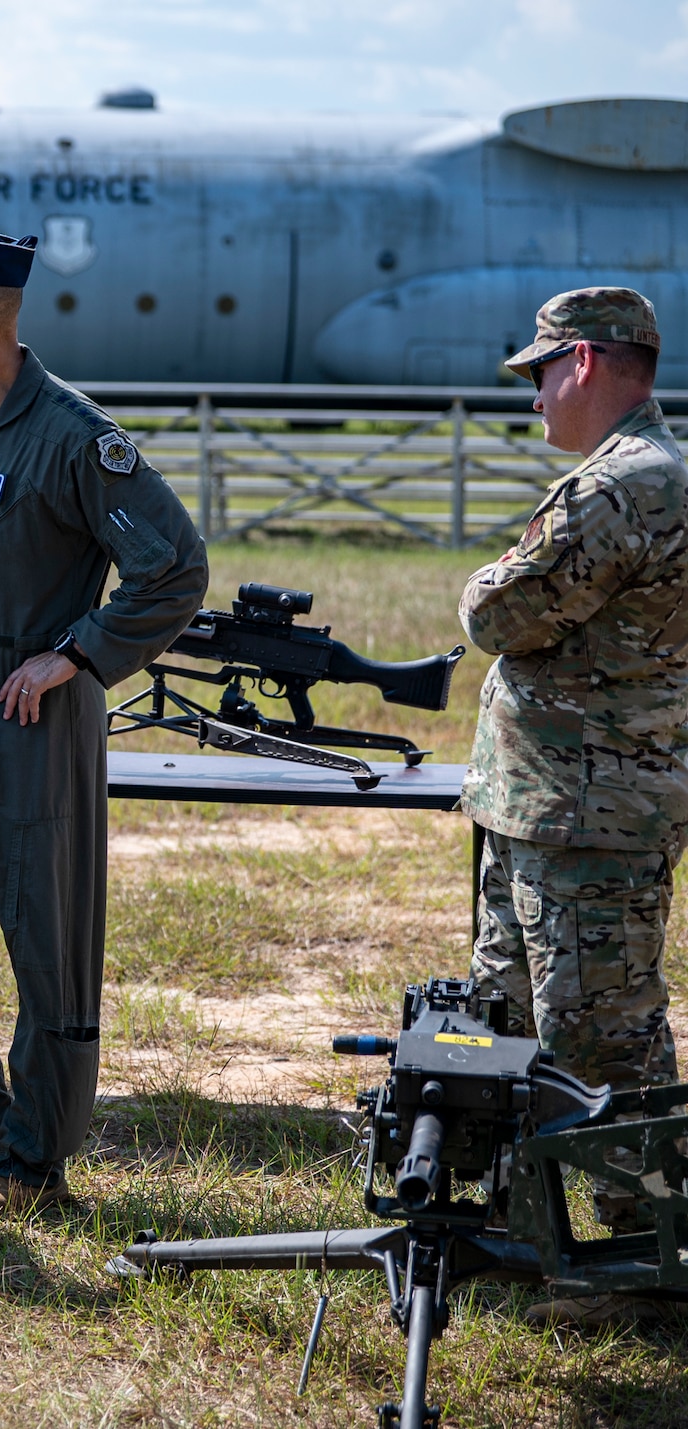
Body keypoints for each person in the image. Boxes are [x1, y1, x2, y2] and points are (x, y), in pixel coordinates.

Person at [0, 228, 208, 1219]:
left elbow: (173, 568)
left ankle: (30, 1162)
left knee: (45, 948)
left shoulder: (73, 438)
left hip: (28, 735)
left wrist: (73, 655)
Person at [460, 288, 688, 1326]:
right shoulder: (622, 476)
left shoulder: (625, 487)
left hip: (588, 815)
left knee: (601, 1046)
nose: (533, 396)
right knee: (508, 1025)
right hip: (548, 807)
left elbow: (496, 609)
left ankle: (645, 1266)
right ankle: (527, 1233)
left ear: (586, 363)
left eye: (539, 373)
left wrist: (480, 584)